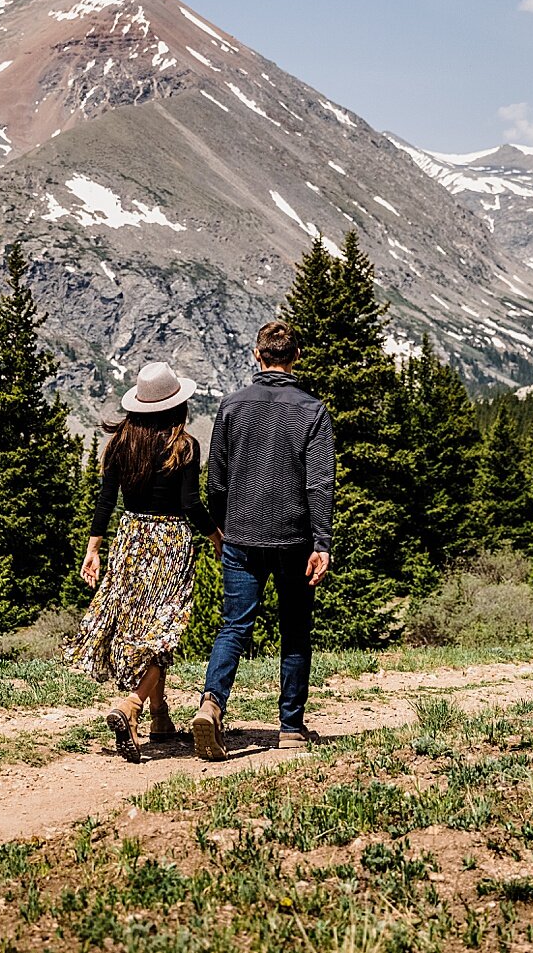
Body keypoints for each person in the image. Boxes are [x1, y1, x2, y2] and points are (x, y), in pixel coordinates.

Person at [65, 361, 223, 763]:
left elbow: (105, 502)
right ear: (176, 406)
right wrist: (217, 538)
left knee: (140, 631)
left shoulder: (120, 443)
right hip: (170, 544)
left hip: (131, 541)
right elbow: (190, 505)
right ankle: (131, 705)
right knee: (162, 636)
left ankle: (159, 717)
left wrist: (94, 548)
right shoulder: (183, 445)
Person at [191, 320, 334, 760]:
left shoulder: (232, 407)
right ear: (296, 357)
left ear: (257, 355)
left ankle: (212, 703)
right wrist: (322, 542)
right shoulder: (312, 410)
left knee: (234, 626)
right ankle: (290, 728)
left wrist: (221, 527)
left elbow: (215, 479)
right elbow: (320, 484)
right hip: (293, 538)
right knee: (294, 630)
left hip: (242, 535)